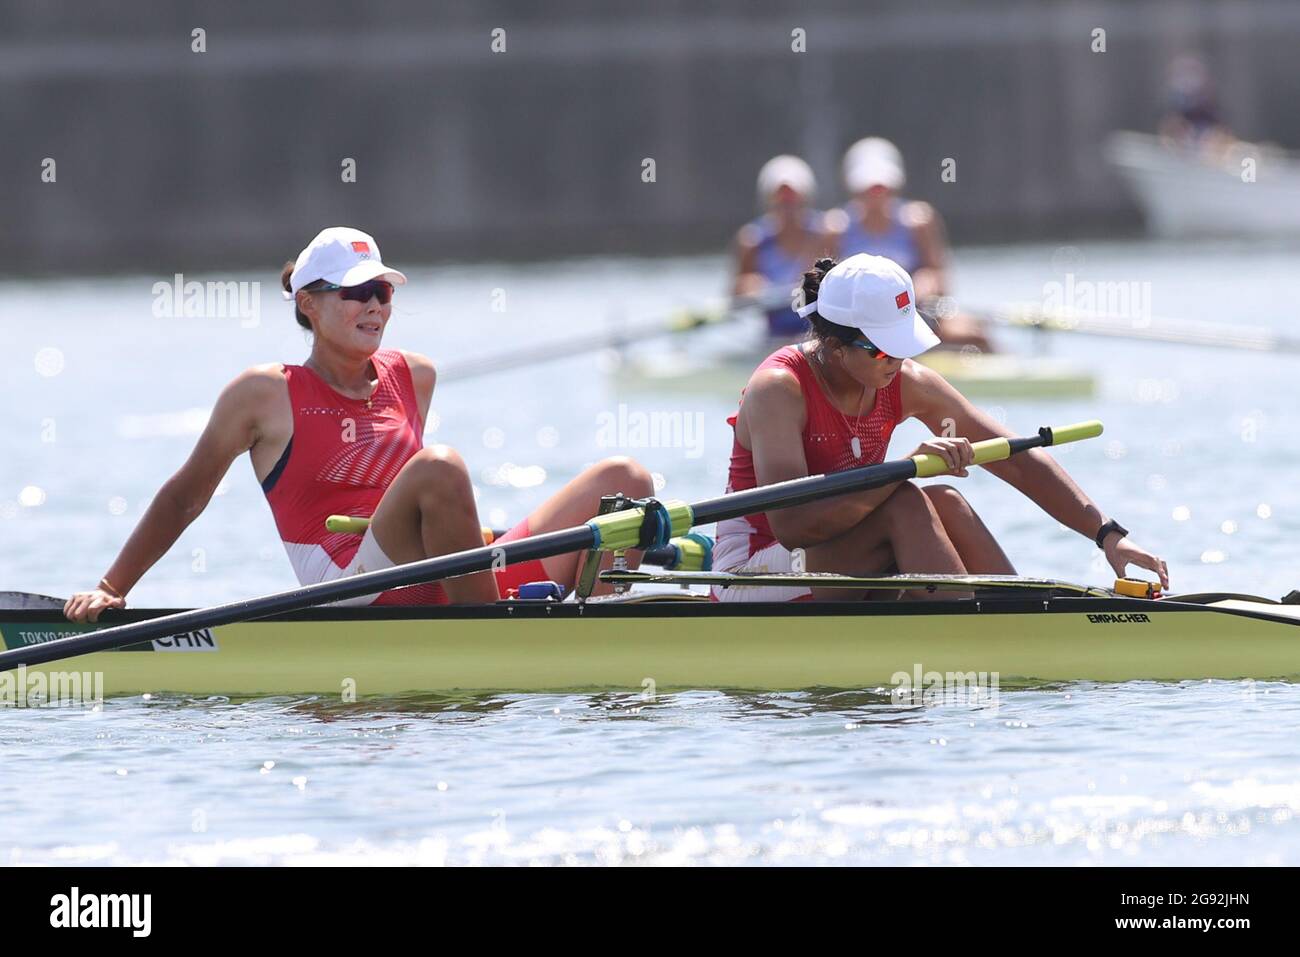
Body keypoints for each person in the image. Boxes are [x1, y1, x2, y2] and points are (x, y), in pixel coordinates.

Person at [64, 226, 652, 622]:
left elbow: (427, 504)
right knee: (440, 468)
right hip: (349, 587)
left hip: (444, 573)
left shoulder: (414, 375)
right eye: (354, 293)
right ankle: (498, 637)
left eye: (381, 291)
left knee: (624, 480)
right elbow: (185, 496)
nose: (374, 305)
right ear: (307, 305)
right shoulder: (263, 394)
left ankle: (603, 636)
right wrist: (114, 588)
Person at [712, 253, 1168, 603]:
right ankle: (973, 638)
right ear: (833, 343)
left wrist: (1109, 536)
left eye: (902, 345)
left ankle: (1018, 616)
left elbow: (1013, 458)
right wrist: (903, 470)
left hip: (834, 555)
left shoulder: (904, 382)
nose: (894, 361)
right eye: (881, 350)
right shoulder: (779, 389)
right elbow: (792, 525)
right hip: (752, 575)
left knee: (945, 500)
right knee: (906, 501)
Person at [830, 137, 991, 352]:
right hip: (858, 324)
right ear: (855, 188)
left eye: (881, 187)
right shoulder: (835, 228)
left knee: (976, 336)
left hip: (912, 315)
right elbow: (820, 286)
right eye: (869, 188)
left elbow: (939, 276)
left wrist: (926, 283)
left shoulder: (918, 221)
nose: (876, 194)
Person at [732, 155, 834, 341]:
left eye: (793, 202)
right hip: (775, 334)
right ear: (769, 201)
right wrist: (749, 288)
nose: (788, 208)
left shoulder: (827, 233)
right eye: (782, 203)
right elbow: (736, 296)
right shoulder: (752, 241)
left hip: (820, 333)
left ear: (806, 199)